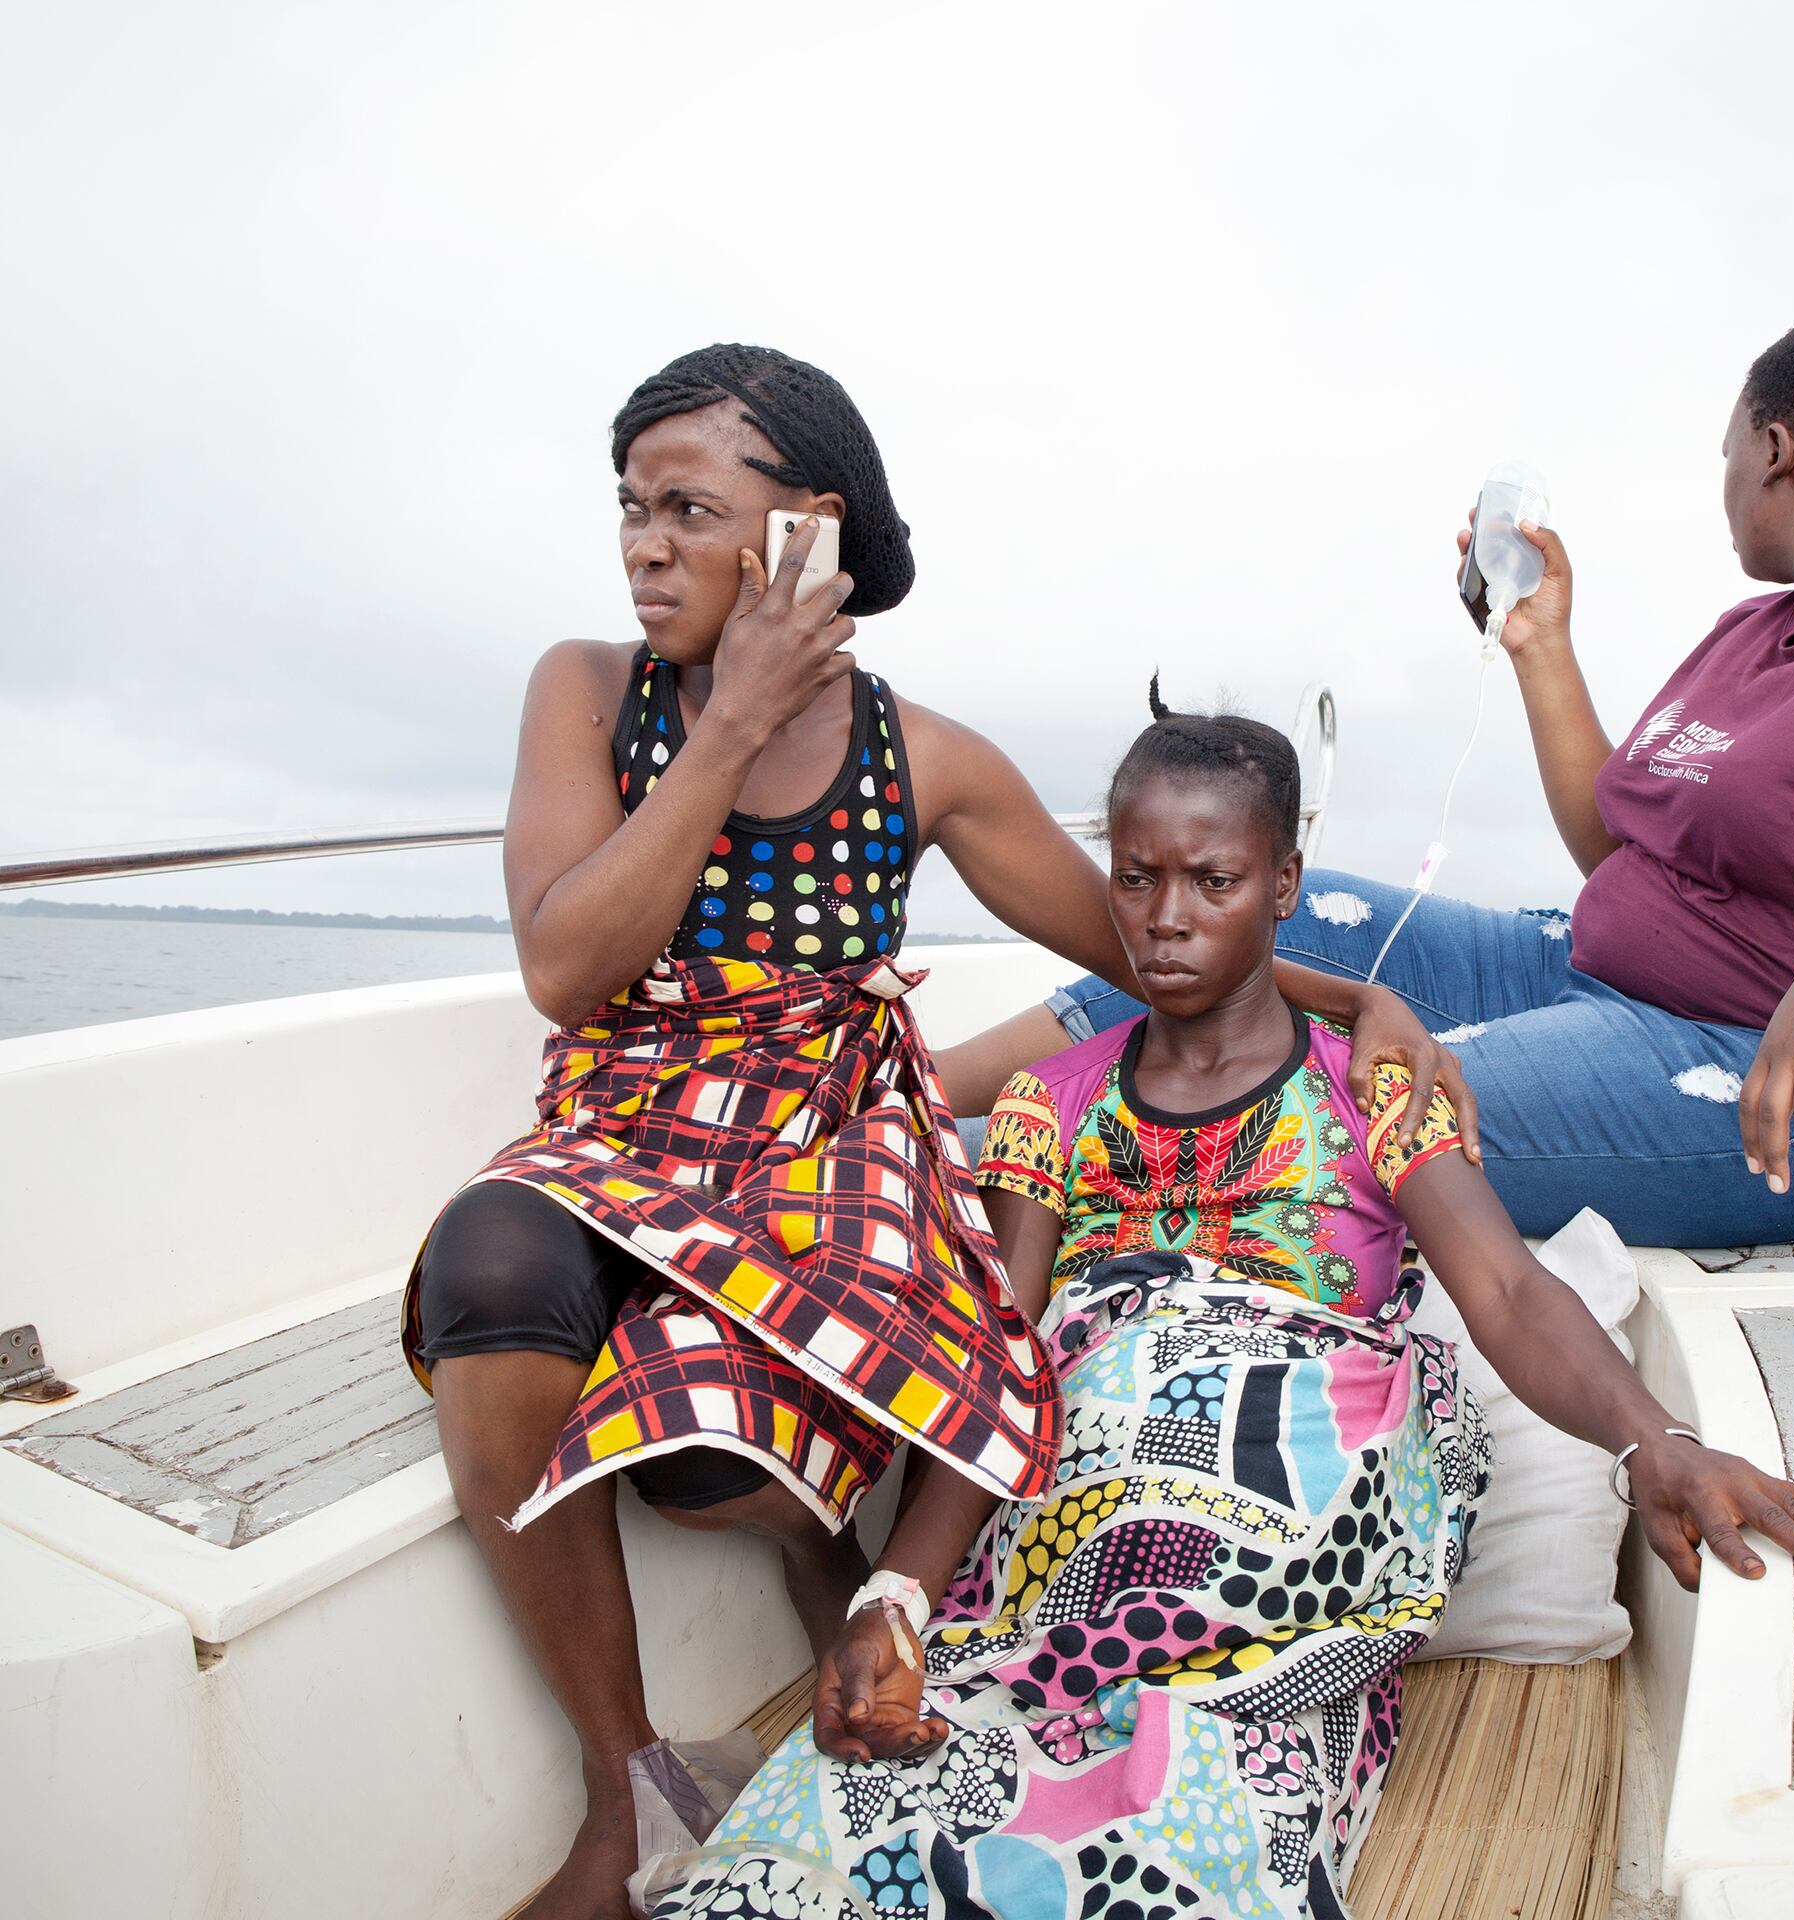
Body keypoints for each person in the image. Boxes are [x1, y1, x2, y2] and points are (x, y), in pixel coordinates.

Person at [402, 346, 1463, 1920]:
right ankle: (624, 1786)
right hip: (624, 1122)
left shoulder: (927, 759)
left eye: (688, 507)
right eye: (630, 507)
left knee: (718, 1469)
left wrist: (1353, 1004)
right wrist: (731, 718)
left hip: (827, 1140)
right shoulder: (586, 690)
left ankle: (827, 1566)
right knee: (489, 1271)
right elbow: (566, 964)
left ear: (808, 532)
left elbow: (1138, 943)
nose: (642, 543)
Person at [643, 690, 1794, 1920]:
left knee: (1179, 1826)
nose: (1166, 920)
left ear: (1284, 885)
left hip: (1276, 1549)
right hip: (1059, 1544)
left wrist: (1657, 1439)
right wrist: (897, 1599)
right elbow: (1005, 1372)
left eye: (1213, 881)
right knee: (822, 1836)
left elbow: (1502, 1288)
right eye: (1135, 879)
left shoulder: (1377, 1086)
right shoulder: (1047, 1103)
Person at [955, 311, 1794, 1249]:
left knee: (1364, 1105)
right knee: (1279, 917)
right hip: (1587, 963)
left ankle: (958, 1187)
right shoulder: (1752, 634)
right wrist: (1540, 642)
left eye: (1727, 458)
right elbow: (1618, 851)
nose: (1723, 490)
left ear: (1776, 449)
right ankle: (907, 1091)